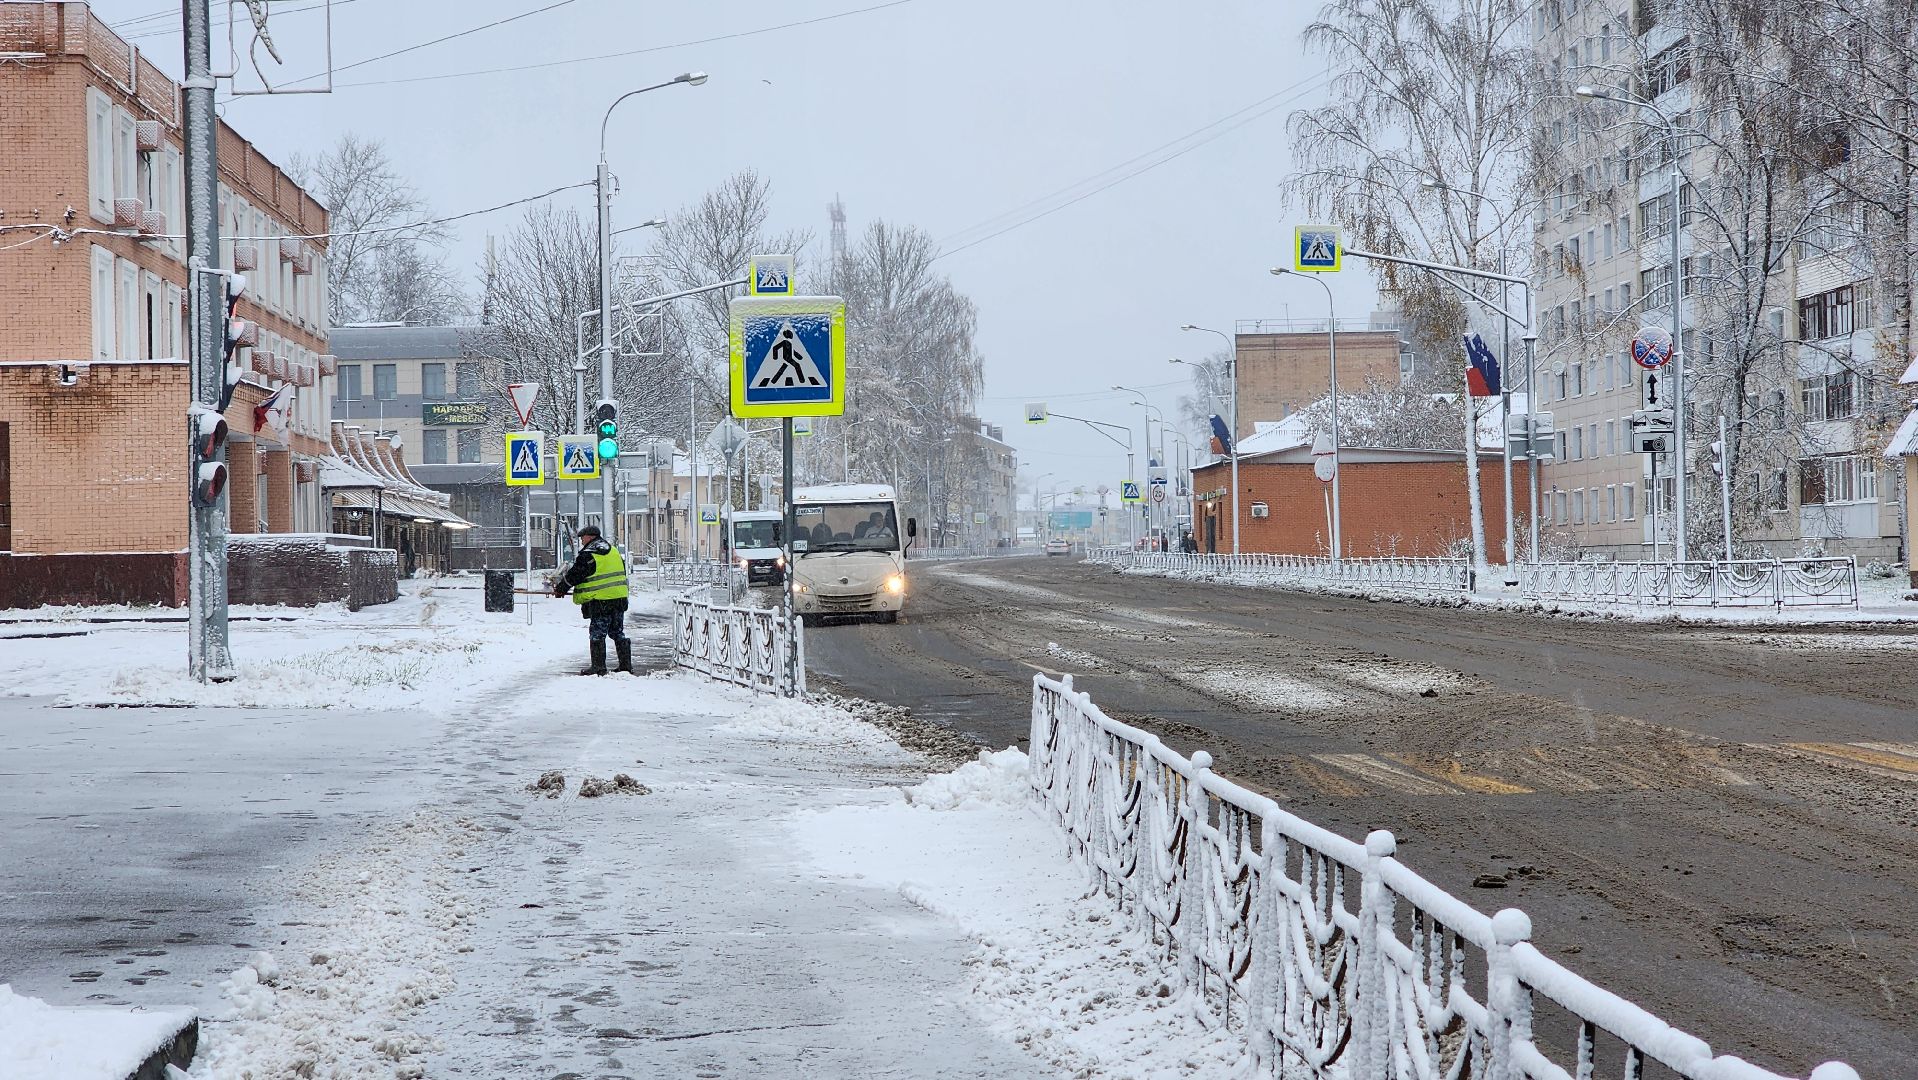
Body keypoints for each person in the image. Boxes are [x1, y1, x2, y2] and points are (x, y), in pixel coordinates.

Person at [551, 524, 631, 675]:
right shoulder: (613, 551)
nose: (581, 541)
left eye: (582, 537)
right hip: (619, 598)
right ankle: (625, 666)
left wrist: (561, 588)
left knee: (597, 633)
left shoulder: (590, 553)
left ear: (590, 537)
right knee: (617, 632)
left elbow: (576, 574)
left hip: (601, 601)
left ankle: (598, 667)